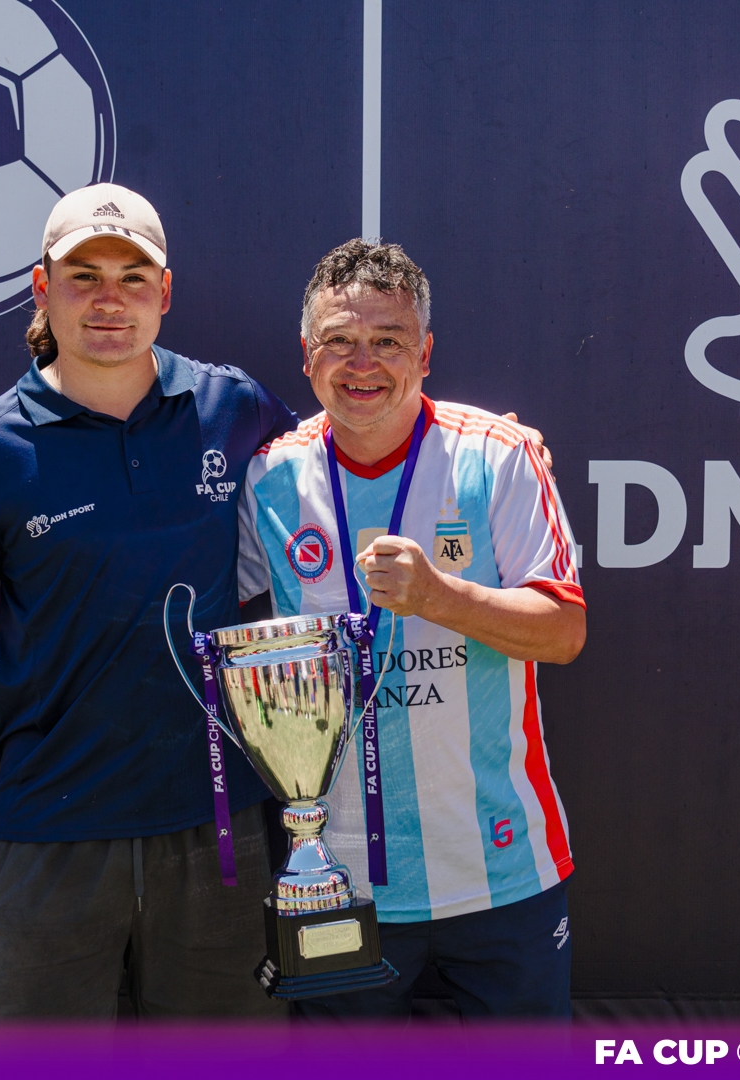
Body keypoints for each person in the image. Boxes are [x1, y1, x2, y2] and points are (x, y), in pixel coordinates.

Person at [0, 183, 298, 1019]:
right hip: (51, 827)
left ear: (165, 293)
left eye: (132, 277)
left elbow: (343, 467)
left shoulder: (234, 408)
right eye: (85, 277)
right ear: (43, 288)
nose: (110, 299)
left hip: (219, 829)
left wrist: (465, 436)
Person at [237, 238, 587, 1017]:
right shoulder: (270, 478)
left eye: (388, 341)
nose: (362, 363)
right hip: (340, 879)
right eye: (339, 341)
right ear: (306, 355)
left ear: (424, 354)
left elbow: (564, 632)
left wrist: (439, 597)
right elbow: (218, 621)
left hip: (501, 870)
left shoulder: (498, 456)